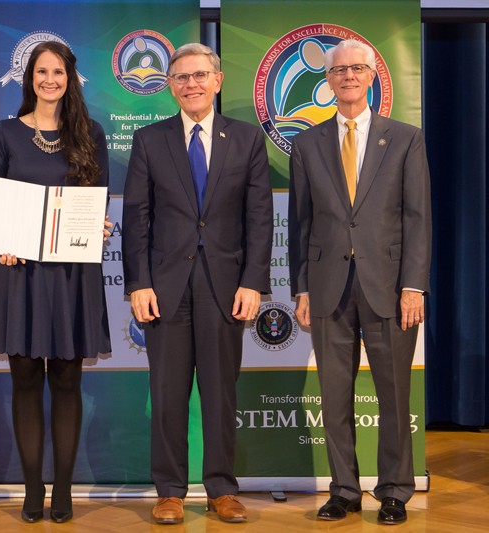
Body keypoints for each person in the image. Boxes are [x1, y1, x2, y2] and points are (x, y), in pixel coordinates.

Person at [122, 43, 273, 524]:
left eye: (200, 75)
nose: (191, 84)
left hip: (225, 288)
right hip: (165, 287)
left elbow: (260, 218)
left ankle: (221, 489)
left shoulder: (247, 139)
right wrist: (137, 283)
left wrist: (254, 282)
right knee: (166, 393)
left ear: (218, 80)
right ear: (170, 86)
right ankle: (169, 491)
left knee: (220, 392)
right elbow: (137, 218)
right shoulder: (150, 140)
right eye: (182, 77)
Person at [288, 39, 431, 525]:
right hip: (328, 288)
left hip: (390, 289)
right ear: (327, 80)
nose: (348, 76)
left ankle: (393, 491)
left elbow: (418, 218)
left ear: (372, 76)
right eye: (339, 70)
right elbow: (302, 223)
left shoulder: (406, 137)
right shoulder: (307, 144)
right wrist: (301, 288)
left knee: (393, 397)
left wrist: (414, 285)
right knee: (334, 396)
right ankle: (344, 490)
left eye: (357, 68)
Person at [0, 41, 112, 524]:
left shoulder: (90, 134)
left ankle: (64, 492)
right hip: (19, 274)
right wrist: (2, 237)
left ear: (70, 78)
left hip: (71, 276)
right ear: (29, 78)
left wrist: (99, 223)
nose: (49, 79)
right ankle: (33, 489)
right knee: (26, 381)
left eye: (58, 72)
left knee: (69, 381)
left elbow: (97, 200)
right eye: (41, 71)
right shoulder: (6, 134)